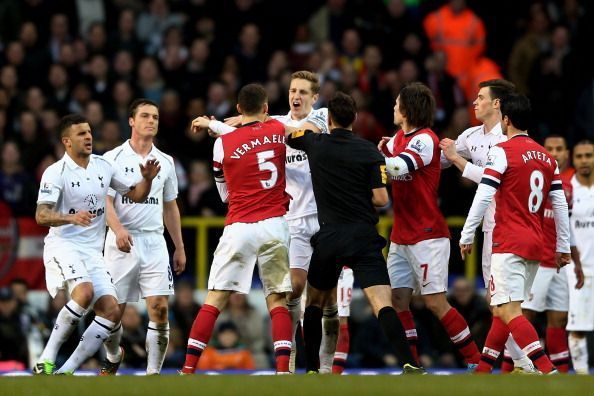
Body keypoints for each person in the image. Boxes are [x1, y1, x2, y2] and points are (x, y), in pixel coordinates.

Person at [194, 71, 339, 372]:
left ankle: (326, 366)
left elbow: (298, 133)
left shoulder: (321, 117)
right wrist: (237, 124)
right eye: (292, 91)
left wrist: (222, 124)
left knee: (328, 299)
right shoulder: (273, 124)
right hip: (292, 219)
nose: (296, 96)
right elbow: (253, 131)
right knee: (293, 289)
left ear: (315, 97)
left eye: (303, 92)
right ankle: (294, 361)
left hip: (326, 216)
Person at [286, 91, 422, 374]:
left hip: (330, 238)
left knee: (314, 302)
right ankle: (408, 362)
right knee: (382, 303)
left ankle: (311, 369)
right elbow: (382, 199)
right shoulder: (369, 151)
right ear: (355, 119)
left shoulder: (317, 143)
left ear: (330, 119)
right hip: (363, 237)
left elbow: (290, 133)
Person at [33, 114, 160, 375]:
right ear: (67, 141)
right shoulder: (56, 172)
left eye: (89, 132)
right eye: (81, 134)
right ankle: (46, 358)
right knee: (84, 293)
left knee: (111, 311)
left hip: (93, 250)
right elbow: (41, 215)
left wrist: (146, 180)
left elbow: (135, 195)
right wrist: (70, 217)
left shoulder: (103, 166)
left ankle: (73, 369)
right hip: (64, 245)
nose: (88, 137)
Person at [180, 84, 293, 374]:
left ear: (239, 109)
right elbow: (289, 122)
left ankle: (189, 369)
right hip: (274, 224)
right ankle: (283, 371)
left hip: (239, 224)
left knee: (216, 297)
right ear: (266, 108)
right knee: (277, 298)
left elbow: (224, 194)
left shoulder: (222, 143)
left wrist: (215, 124)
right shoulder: (280, 130)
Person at [459, 93, 571, 374]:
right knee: (502, 310)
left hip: (507, 242)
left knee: (509, 311)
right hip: (536, 245)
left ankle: (548, 371)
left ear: (506, 119)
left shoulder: (501, 150)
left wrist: (466, 233)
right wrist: (563, 246)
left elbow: (484, 195)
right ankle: (484, 370)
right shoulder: (547, 157)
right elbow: (559, 205)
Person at [381, 82, 480, 369]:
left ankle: (475, 362)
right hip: (400, 234)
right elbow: (388, 156)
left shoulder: (425, 139)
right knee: (399, 299)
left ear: (408, 109)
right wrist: (381, 151)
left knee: (436, 302)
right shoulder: (397, 138)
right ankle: (412, 364)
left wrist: (368, 157)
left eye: (397, 103)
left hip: (427, 234)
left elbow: (398, 168)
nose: (394, 108)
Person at [439, 79, 535, 372]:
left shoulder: (510, 139)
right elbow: (440, 159)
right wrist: (402, 152)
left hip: (509, 226)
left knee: (504, 302)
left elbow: (495, 180)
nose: (474, 103)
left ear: (497, 104)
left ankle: (525, 363)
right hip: (490, 227)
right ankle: (515, 364)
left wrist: (457, 160)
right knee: (498, 301)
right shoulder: (471, 136)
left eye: (480, 98)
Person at [100, 98, 186, 375]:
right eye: (146, 116)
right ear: (131, 121)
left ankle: (152, 376)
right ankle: (114, 354)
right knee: (112, 313)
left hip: (154, 241)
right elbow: (106, 202)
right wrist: (118, 230)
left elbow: (170, 206)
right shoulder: (111, 158)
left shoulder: (166, 162)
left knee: (159, 308)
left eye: (156, 117)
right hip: (120, 243)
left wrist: (179, 247)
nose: (152, 121)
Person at [520, 135, 582, 373]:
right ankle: (517, 367)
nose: (555, 153)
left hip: (561, 263)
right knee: (526, 316)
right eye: (550, 149)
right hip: (537, 261)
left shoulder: (575, 184)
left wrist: (575, 262)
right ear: (542, 152)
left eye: (559, 149)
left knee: (559, 320)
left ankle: (561, 376)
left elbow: (570, 227)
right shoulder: (533, 177)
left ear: (567, 153)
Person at [566, 139, 594, 374]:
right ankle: (582, 378)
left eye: (589, 155)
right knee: (578, 326)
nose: (585, 160)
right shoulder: (567, 189)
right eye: (580, 156)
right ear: (573, 159)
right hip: (579, 269)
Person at [332, 266, 353, 374]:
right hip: (312, 262)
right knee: (310, 319)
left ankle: (336, 373)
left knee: (341, 320)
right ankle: (316, 368)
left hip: (342, 265)